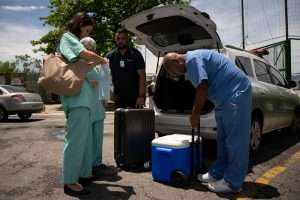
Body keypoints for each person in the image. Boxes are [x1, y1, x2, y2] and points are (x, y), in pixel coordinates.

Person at [163, 49, 252, 193]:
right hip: (223, 99)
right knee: (223, 140)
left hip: (235, 93)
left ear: (176, 61)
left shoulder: (192, 60)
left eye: (173, 71)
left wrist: (195, 114)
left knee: (236, 140)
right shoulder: (193, 61)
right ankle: (217, 173)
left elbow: (202, 86)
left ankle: (232, 183)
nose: (175, 75)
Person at [57, 12, 108, 196]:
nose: (87, 33)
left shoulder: (73, 41)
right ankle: (69, 181)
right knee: (76, 141)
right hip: (77, 100)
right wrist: (101, 59)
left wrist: (92, 62)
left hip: (83, 100)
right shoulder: (68, 37)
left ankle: (80, 175)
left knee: (82, 141)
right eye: (87, 29)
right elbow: (84, 54)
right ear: (80, 24)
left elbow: (81, 64)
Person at [80, 37, 116, 177]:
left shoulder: (97, 63)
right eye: (88, 47)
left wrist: (106, 98)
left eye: (92, 47)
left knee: (97, 137)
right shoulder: (79, 63)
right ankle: (87, 166)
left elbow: (104, 81)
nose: (90, 50)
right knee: (88, 138)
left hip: (98, 104)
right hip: (87, 104)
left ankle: (97, 163)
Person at [106, 28, 146, 108]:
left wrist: (141, 96)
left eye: (123, 38)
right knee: (120, 120)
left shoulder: (136, 54)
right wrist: (109, 96)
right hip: (118, 97)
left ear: (127, 39)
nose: (120, 41)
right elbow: (107, 77)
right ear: (115, 39)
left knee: (135, 120)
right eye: (118, 38)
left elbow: (142, 76)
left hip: (135, 97)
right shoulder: (110, 56)